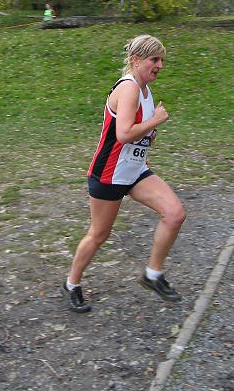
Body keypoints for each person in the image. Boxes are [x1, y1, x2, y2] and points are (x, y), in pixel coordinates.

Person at [62, 34, 186, 313]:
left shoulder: (146, 91)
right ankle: (71, 283)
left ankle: (152, 274)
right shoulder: (129, 88)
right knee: (99, 234)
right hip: (109, 173)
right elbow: (124, 134)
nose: (160, 65)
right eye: (155, 59)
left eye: (162, 60)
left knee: (175, 214)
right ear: (136, 60)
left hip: (135, 171)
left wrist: (150, 134)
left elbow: (138, 135)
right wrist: (155, 121)